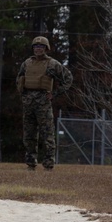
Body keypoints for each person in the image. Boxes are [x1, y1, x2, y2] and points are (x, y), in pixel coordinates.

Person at [16, 36, 73, 170]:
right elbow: (19, 78)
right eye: (36, 46)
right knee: (29, 134)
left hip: (43, 102)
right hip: (28, 102)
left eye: (41, 47)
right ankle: (31, 163)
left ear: (46, 48)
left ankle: (48, 164)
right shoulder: (27, 63)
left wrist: (55, 93)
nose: (38, 49)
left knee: (47, 134)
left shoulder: (52, 64)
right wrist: (22, 92)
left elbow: (68, 78)